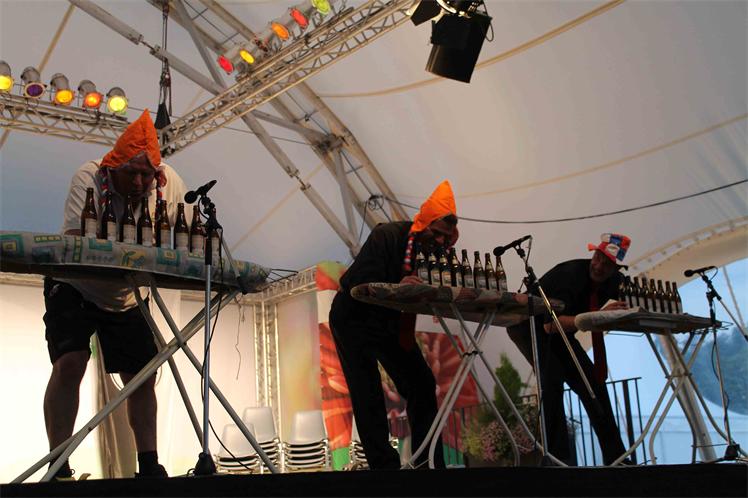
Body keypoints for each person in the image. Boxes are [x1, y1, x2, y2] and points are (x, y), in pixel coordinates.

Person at [42, 110, 187, 479]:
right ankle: (58, 463)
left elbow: (184, 232)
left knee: (142, 375)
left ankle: (149, 464)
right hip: (75, 283)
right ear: (114, 165)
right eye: (131, 173)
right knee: (71, 361)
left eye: (146, 175)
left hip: (126, 292)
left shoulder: (169, 183)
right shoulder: (89, 176)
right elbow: (74, 239)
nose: (138, 182)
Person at [329, 180, 459, 470]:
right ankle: (384, 467)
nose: (440, 240)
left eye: (446, 236)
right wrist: (397, 285)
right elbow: (357, 284)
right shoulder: (386, 235)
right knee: (367, 391)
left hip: (388, 321)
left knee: (422, 383)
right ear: (423, 223)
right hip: (353, 317)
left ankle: (428, 462)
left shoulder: (433, 252)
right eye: (437, 233)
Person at [507, 233, 631, 466]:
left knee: (593, 383)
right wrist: (599, 316)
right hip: (528, 326)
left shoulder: (616, 281)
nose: (599, 267)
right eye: (598, 258)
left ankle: (618, 458)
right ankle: (557, 458)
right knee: (552, 379)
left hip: (562, 331)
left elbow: (630, 302)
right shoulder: (569, 275)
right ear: (593, 254)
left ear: (616, 269)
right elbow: (550, 326)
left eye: (607, 264)